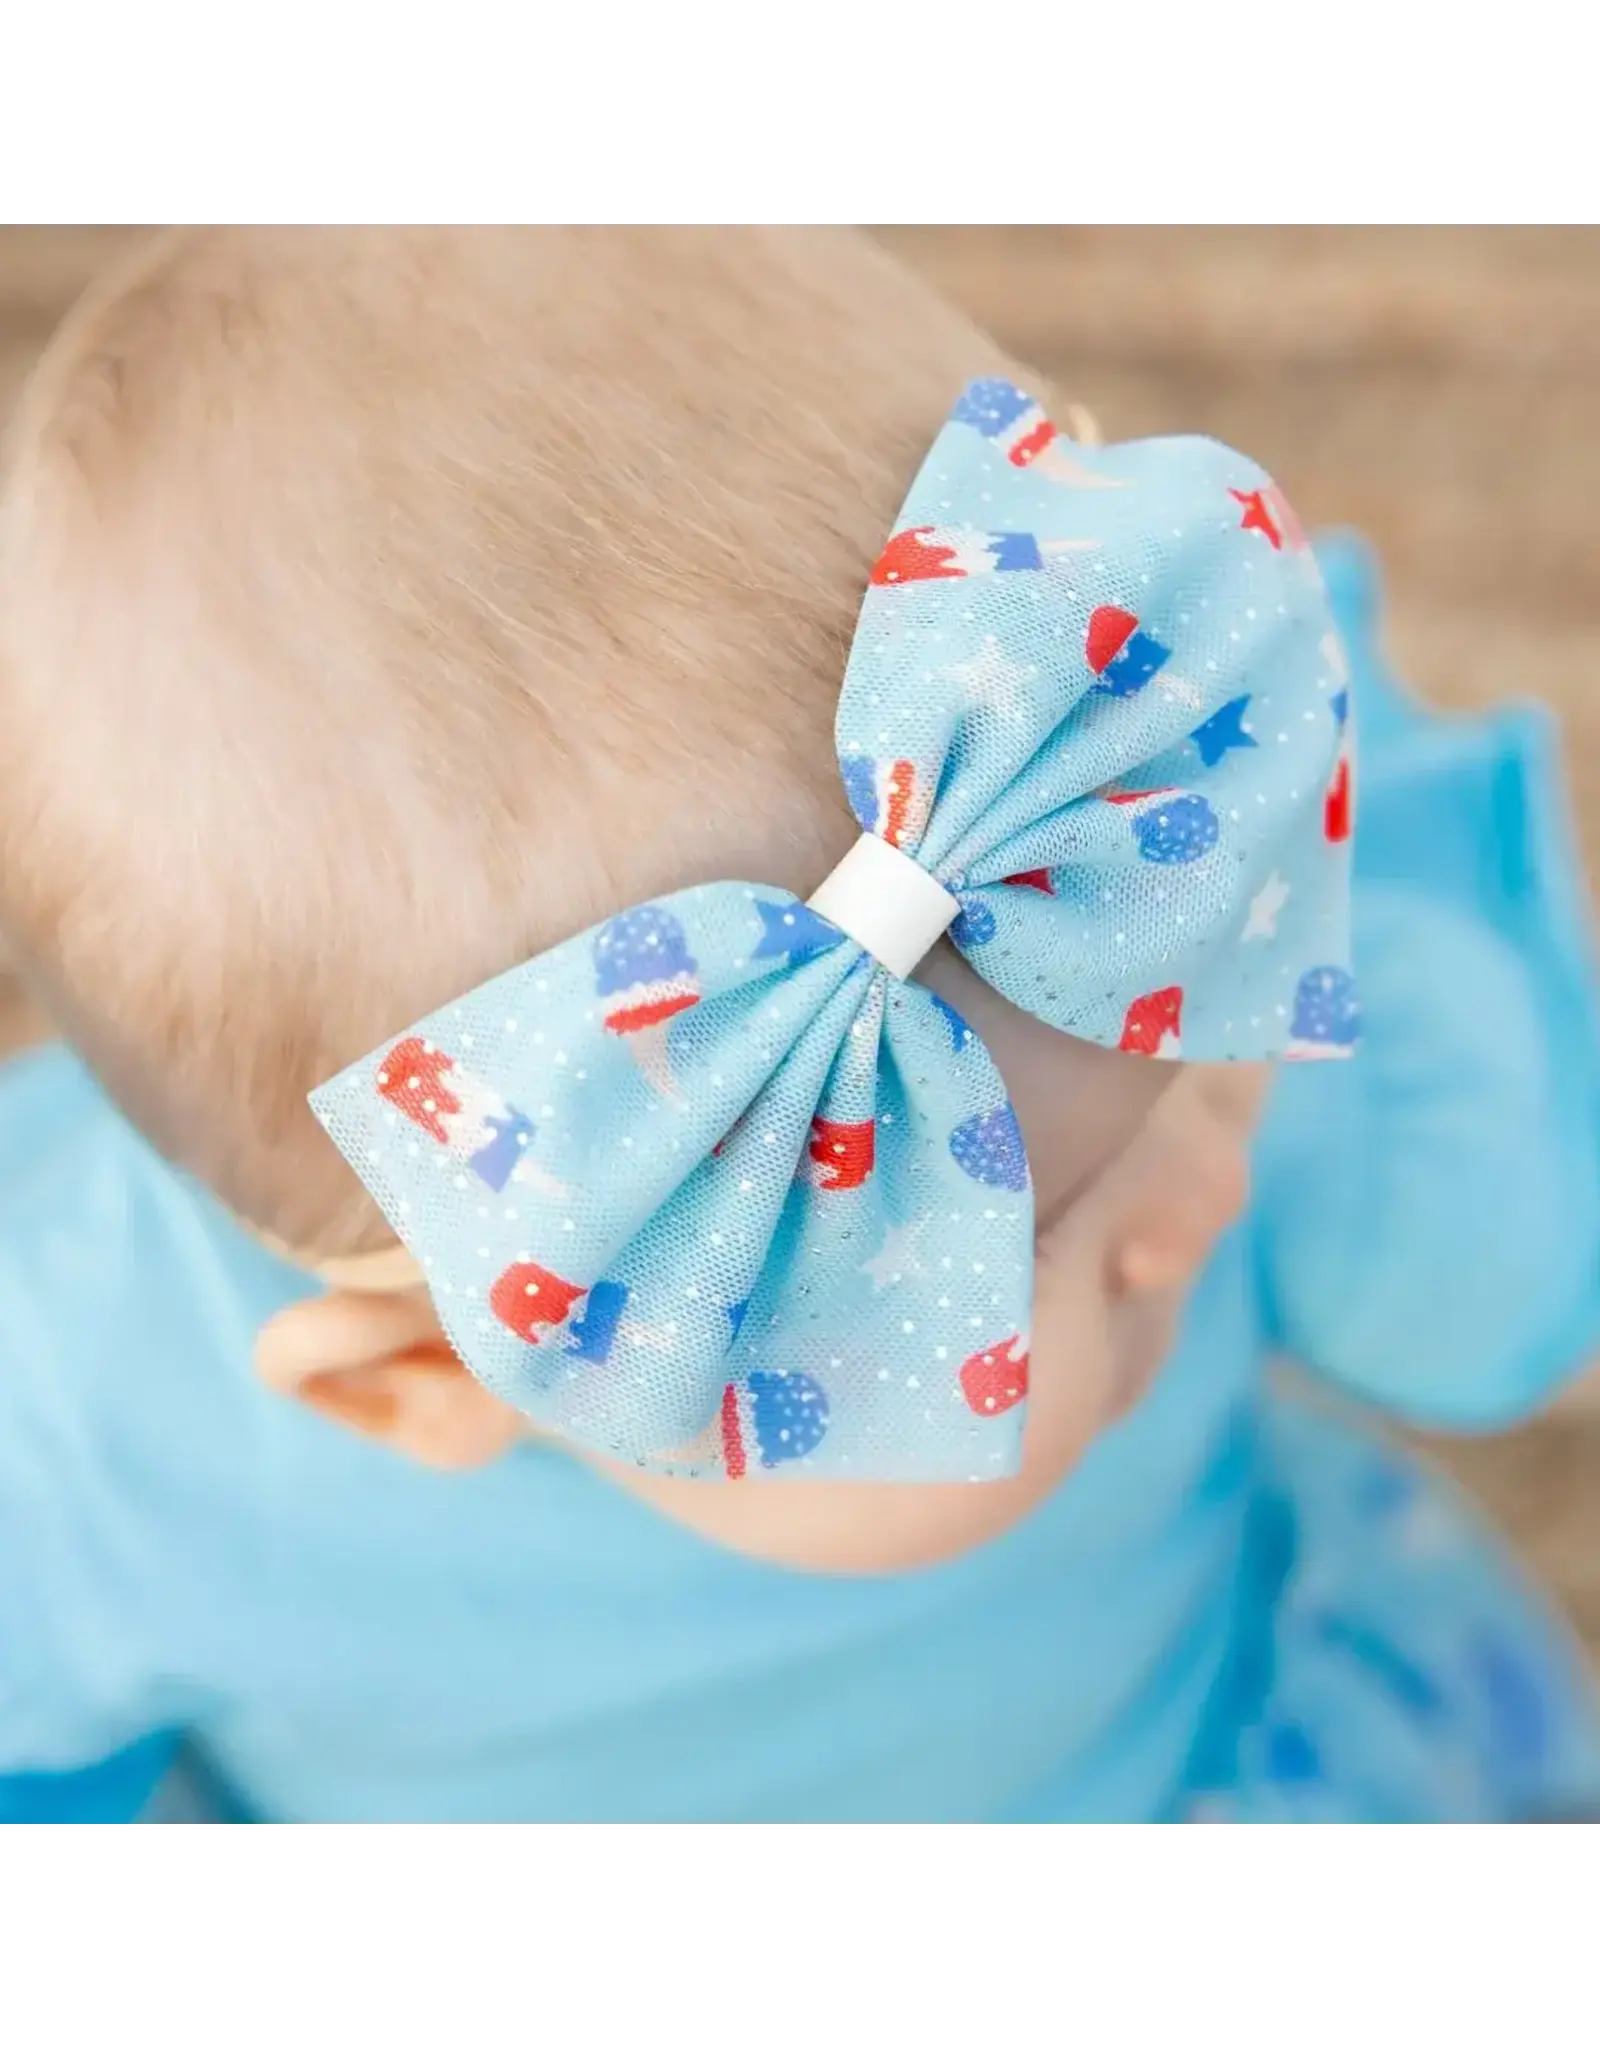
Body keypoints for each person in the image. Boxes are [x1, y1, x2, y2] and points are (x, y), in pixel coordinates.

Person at [0, 225, 1595, 1823]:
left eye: (1176, 1041)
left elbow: (1485, 1284)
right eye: (1025, 1246)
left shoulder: (1098, 866)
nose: (1206, 1199)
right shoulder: (69, 1434)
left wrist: (1289, 841)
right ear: (426, 1380)